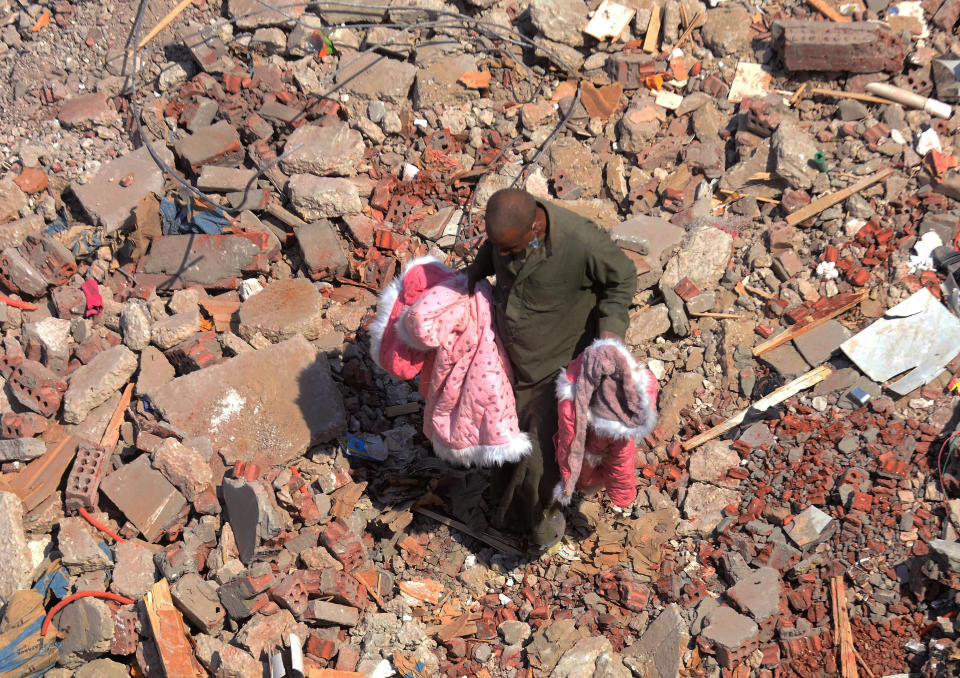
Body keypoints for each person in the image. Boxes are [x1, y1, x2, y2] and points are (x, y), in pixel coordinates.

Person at [466, 188, 637, 551]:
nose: (505, 257)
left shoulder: (581, 241)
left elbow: (622, 278)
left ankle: (538, 529)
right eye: (500, 249)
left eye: (510, 250)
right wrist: (469, 279)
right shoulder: (508, 239)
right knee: (504, 430)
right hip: (515, 358)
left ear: (536, 226)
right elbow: (490, 254)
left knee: (542, 450)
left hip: (558, 361)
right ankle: (504, 505)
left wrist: (610, 333)